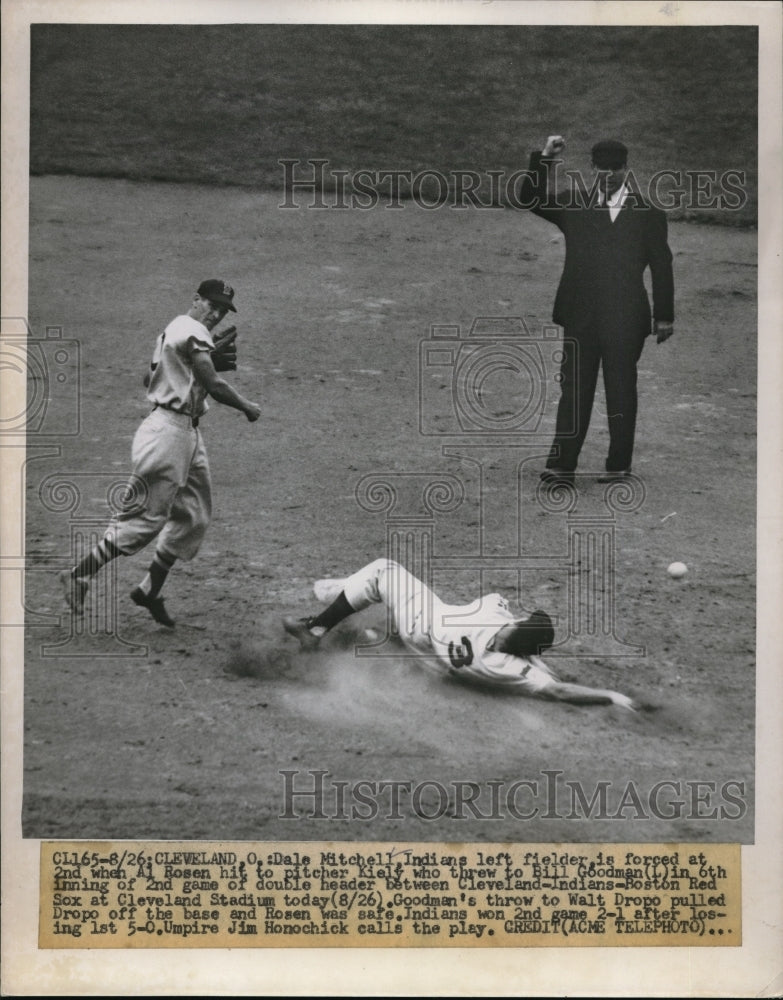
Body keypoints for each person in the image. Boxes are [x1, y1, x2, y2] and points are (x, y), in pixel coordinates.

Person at [58, 278, 261, 627]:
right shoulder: (192, 328)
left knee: (193, 515)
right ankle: (79, 575)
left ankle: (149, 590)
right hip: (167, 436)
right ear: (195, 300)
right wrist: (247, 406)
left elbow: (148, 379)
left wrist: (193, 370)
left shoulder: (175, 330)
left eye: (222, 310)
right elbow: (215, 385)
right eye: (211, 305)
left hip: (186, 435)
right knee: (145, 520)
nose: (215, 314)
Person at [519, 135, 674, 483]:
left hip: (626, 317)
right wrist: (545, 157)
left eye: (615, 170)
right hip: (581, 315)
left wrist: (664, 314)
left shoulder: (647, 213)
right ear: (592, 169)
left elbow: (662, 264)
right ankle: (561, 466)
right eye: (602, 169)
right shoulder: (573, 204)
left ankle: (619, 464)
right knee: (574, 389)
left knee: (620, 390)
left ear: (626, 169)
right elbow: (528, 198)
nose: (608, 176)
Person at [283, 558, 636, 709]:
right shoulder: (506, 667)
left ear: (512, 630)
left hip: (422, 622)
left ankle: (316, 627)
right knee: (389, 629)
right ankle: (368, 635)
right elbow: (557, 689)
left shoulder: (493, 612)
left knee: (381, 572)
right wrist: (609, 696)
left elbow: (503, 615)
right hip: (434, 663)